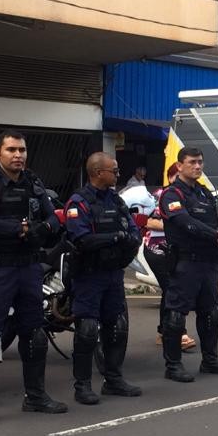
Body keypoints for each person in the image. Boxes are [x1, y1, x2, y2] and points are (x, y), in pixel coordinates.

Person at [0, 130, 68, 428]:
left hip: (30, 268)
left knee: (34, 335)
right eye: (11, 150)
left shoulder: (34, 183)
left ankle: (35, 396)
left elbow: (54, 218)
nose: (18, 155)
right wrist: (20, 230)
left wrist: (41, 230)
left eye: (21, 150)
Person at [64, 152, 143, 405]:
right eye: (115, 171)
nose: (118, 174)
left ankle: (113, 380)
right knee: (87, 330)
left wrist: (127, 240)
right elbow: (82, 239)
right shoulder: (79, 202)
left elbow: (132, 230)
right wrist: (116, 238)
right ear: (99, 173)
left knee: (117, 327)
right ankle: (83, 386)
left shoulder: (116, 200)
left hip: (113, 274)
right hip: (89, 276)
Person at [158, 147, 218, 382]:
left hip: (209, 262)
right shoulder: (172, 194)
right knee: (176, 315)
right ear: (180, 166)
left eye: (200, 162)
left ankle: (210, 360)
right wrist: (214, 235)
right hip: (185, 262)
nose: (198, 166)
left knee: (211, 313)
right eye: (192, 162)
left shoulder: (205, 194)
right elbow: (183, 222)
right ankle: (173, 366)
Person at [142, 162, 197, 353]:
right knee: (173, 288)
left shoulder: (190, 196)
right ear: (172, 176)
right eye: (177, 177)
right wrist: (176, 224)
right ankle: (177, 333)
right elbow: (148, 222)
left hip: (176, 250)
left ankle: (163, 332)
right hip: (157, 249)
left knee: (170, 290)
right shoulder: (161, 196)